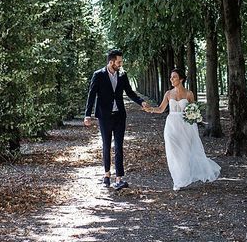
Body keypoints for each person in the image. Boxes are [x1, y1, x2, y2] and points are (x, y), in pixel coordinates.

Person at [143, 67, 220, 191]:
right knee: (173, 152)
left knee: (184, 152)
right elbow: (161, 109)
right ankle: (177, 180)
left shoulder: (189, 94)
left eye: (174, 77)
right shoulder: (168, 94)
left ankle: (184, 177)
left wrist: (194, 116)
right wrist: (150, 109)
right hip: (171, 126)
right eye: (171, 77)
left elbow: (193, 110)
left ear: (181, 79)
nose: (171, 79)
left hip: (185, 126)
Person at [84, 49, 149, 190]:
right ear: (111, 61)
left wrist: (141, 102)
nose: (121, 64)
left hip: (119, 116)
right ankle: (107, 174)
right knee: (106, 145)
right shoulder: (98, 75)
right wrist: (87, 115)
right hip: (104, 116)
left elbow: (130, 92)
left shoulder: (122, 75)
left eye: (121, 62)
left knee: (119, 146)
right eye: (119, 62)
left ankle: (119, 178)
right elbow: (92, 95)